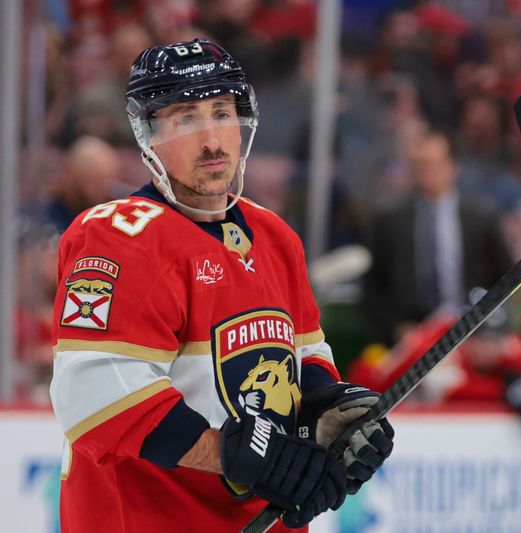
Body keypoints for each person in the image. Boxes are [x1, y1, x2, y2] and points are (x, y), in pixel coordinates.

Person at [49, 39, 395, 533]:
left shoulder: (274, 236)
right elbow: (95, 397)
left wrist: (325, 412)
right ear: (149, 135)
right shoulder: (116, 237)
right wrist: (238, 457)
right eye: (186, 119)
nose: (212, 140)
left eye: (221, 113)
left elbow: (305, 353)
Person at [362, 130, 513, 345]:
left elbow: (505, 279)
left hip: (469, 332)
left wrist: (488, 325)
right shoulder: (390, 222)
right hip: (412, 337)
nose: (425, 172)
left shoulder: (481, 219)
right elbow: (373, 288)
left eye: (432, 164)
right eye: (419, 165)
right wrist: (396, 329)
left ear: (452, 167)